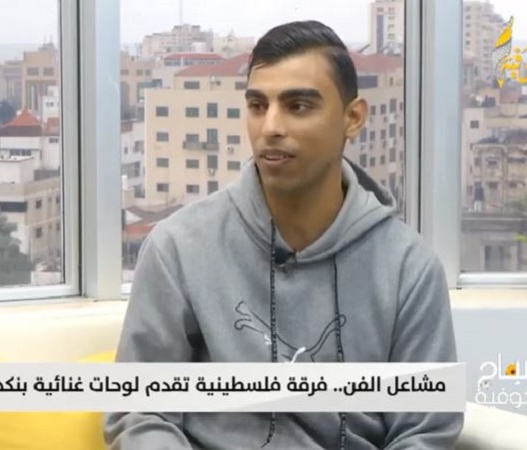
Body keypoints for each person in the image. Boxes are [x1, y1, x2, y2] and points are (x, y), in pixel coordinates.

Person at [104, 20, 463, 450]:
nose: (271, 126)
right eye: (258, 105)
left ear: (352, 118)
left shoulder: (409, 268)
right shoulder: (177, 249)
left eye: (298, 106)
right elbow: (140, 411)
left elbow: (425, 431)